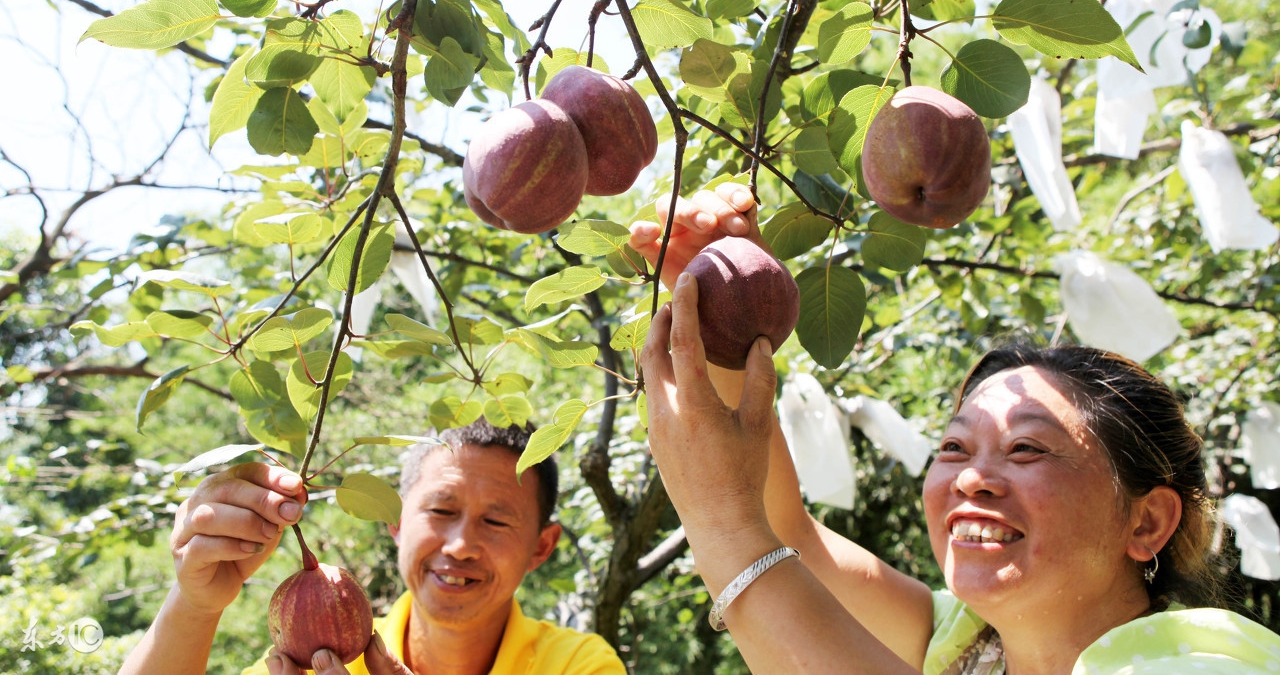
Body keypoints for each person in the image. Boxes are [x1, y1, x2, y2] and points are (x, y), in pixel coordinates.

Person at [630, 182, 1280, 674]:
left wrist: (722, 525)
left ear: (1146, 523)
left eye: (1025, 447)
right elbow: (787, 532)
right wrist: (728, 315)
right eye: (954, 447)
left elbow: (758, 535)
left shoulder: (1203, 660)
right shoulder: (963, 643)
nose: (971, 477)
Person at [119, 420, 626, 675]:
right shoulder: (326, 652)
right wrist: (194, 603)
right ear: (394, 521)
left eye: (496, 520)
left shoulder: (577, 664)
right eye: (441, 511)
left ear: (541, 547)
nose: (461, 544)